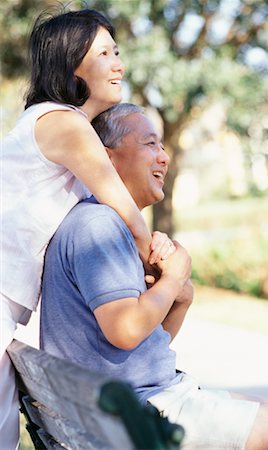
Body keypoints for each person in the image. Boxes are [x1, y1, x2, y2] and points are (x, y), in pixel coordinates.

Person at [41, 103, 268, 450]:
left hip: (143, 404)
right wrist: (173, 279)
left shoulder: (107, 224)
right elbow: (126, 331)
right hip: (145, 414)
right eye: (150, 144)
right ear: (106, 157)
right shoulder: (97, 226)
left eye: (162, 146)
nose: (164, 157)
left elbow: (144, 347)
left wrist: (180, 299)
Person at [0, 9, 173, 449]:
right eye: (103, 54)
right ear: (70, 63)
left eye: (117, 52)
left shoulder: (60, 126)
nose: (118, 64)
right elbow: (128, 215)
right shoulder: (64, 123)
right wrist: (160, 262)